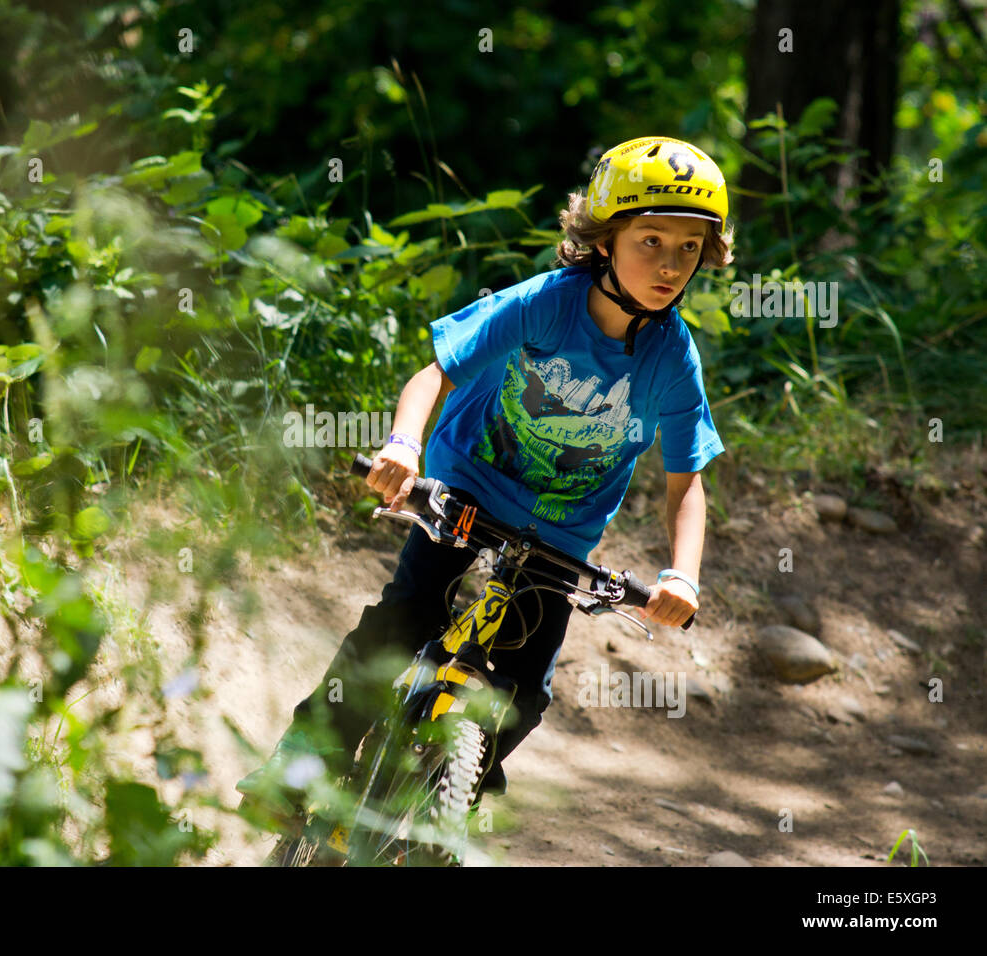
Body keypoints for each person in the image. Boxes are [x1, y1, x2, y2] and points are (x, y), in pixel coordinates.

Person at [237, 135, 733, 831]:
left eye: (688, 248)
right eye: (650, 240)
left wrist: (683, 577)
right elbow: (435, 372)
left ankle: (448, 778)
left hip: (563, 534)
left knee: (524, 694)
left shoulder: (673, 359)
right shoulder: (545, 305)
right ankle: (300, 765)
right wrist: (403, 447)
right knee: (404, 620)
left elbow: (688, 484)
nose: (670, 264)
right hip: (466, 488)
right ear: (604, 238)